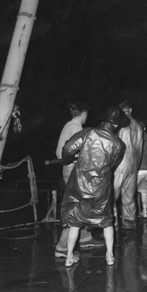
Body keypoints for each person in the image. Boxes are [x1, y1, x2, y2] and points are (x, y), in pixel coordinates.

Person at [61, 105, 128, 267]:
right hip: (101, 189)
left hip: (79, 186)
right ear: (117, 125)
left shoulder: (87, 132)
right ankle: (110, 256)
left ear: (104, 120)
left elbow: (67, 150)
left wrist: (70, 160)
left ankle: (69, 257)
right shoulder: (119, 145)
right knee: (106, 222)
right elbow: (112, 165)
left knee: (75, 222)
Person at [55, 102, 101, 257]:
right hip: (74, 172)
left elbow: (59, 151)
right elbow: (77, 152)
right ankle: (62, 246)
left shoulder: (68, 126)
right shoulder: (76, 128)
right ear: (83, 113)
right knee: (76, 208)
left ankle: (84, 238)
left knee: (81, 206)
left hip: (69, 171)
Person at [113, 100, 143, 229]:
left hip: (120, 164)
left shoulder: (120, 124)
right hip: (133, 164)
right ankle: (129, 223)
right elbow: (140, 149)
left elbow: (114, 145)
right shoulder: (138, 126)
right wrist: (136, 165)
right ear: (130, 110)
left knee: (112, 195)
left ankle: (112, 223)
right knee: (129, 196)